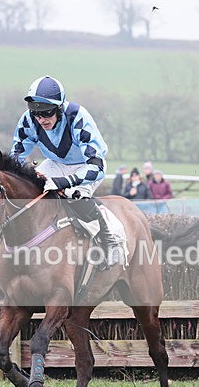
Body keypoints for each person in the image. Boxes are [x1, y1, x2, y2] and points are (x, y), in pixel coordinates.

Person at [9, 75, 121, 266]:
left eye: (47, 113)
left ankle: (109, 240)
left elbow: (98, 167)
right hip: (54, 163)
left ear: (59, 108)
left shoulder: (78, 117)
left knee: (74, 195)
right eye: (37, 114)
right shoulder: (29, 119)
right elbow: (16, 157)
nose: (41, 119)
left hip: (87, 165)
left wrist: (64, 182)